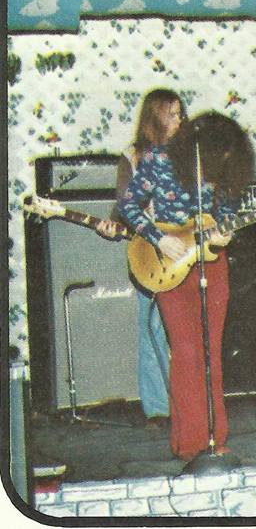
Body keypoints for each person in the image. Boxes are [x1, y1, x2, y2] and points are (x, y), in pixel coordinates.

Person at [119, 111, 255, 462]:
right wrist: (158, 238)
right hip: (168, 261)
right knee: (187, 353)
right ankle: (190, 442)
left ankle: (214, 439)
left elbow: (225, 214)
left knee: (211, 353)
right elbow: (128, 204)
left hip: (211, 264)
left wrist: (226, 232)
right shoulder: (158, 159)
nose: (222, 164)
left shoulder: (225, 169)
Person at [95, 88, 185, 428]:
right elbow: (125, 204)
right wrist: (113, 224)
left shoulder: (187, 154)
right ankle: (159, 409)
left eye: (180, 114)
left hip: (185, 249)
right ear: (155, 116)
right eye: (172, 114)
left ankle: (188, 404)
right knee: (151, 329)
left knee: (183, 331)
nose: (179, 120)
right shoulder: (133, 156)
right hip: (148, 250)